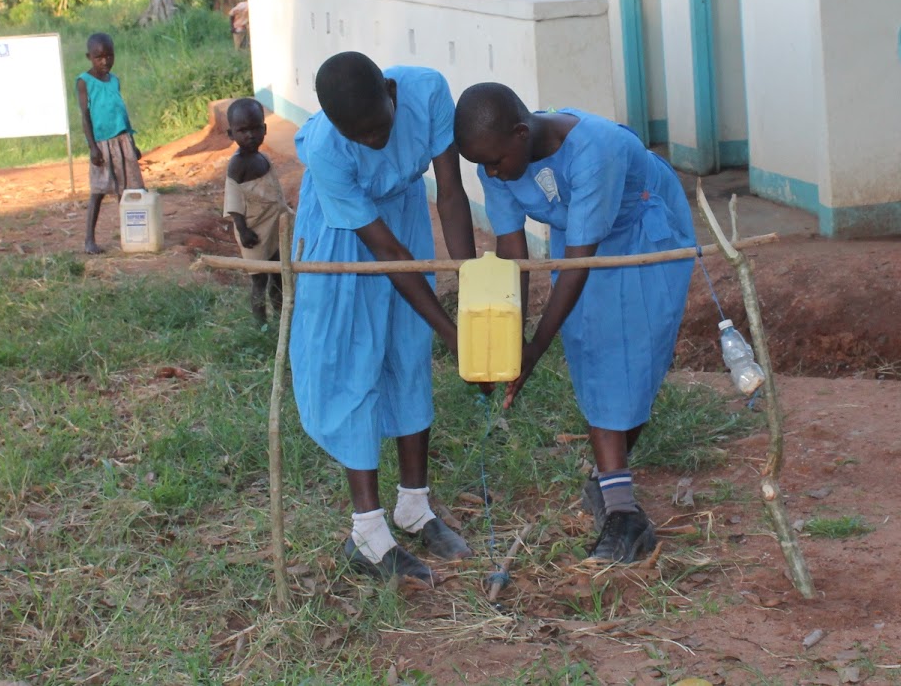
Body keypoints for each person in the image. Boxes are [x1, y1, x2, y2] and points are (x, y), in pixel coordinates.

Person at [452, 82, 695, 564]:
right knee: (594, 351)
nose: (492, 173)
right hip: (581, 246)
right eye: (484, 166)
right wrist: (509, 340)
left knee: (634, 358)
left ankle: (615, 496)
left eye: (497, 162)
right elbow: (512, 253)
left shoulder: (595, 150)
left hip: (645, 235)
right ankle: (620, 503)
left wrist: (534, 352)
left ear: (521, 133)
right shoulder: (495, 162)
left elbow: (581, 264)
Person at [292, 51, 477, 585]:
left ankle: (414, 508)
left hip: (405, 215)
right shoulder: (329, 149)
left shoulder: (427, 92)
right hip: (344, 236)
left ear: (391, 96)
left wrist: (469, 293)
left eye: (378, 128)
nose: (373, 141)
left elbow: (450, 194)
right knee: (356, 361)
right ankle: (368, 533)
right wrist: (452, 333)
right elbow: (388, 255)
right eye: (359, 136)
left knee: (408, 350)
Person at [76, 32, 143, 255]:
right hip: (102, 144)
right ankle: (89, 240)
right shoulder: (84, 82)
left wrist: (132, 142)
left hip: (122, 140)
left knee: (127, 190)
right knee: (98, 191)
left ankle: (131, 235)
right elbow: (85, 116)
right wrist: (92, 147)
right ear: (89, 57)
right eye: (99, 57)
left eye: (109, 56)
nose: (105, 61)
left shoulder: (114, 80)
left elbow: (121, 112)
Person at [223, 97, 287, 326]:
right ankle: (260, 324)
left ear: (265, 129)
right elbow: (233, 201)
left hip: (273, 228)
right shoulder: (237, 165)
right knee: (259, 280)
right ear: (231, 134)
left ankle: (281, 318)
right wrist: (243, 230)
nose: (250, 135)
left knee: (279, 275)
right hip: (254, 233)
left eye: (255, 128)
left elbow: (275, 191)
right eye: (243, 130)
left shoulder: (263, 159)